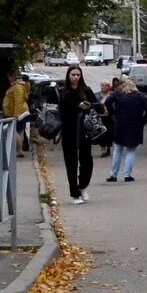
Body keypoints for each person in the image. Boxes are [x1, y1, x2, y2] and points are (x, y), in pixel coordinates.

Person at [57, 66, 97, 203]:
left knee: (87, 161)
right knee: (71, 163)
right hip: (69, 131)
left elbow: (96, 105)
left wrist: (89, 106)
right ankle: (75, 194)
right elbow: (61, 112)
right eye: (73, 74)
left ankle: (83, 187)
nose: (76, 77)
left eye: (78, 75)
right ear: (68, 76)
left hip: (84, 131)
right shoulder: (64, 92)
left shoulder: (86, 90)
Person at [106, 77, 147, 183]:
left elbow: (108, 102)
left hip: (120, 124)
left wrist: (113, 114)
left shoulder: (117, 94)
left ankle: (113, 175)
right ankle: (127, 175)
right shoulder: (141, 96)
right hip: (135, 126)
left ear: (122, 85)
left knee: (117, 150)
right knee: (131, 150)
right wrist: (142, 122)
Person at [2, 70, 30, 157]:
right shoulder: (18, 86)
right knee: (20, 131)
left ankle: (19, 150)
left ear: (12, 76)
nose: (8, 79)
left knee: (14, 131)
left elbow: (19, 101)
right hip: (20, 112)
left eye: (9, 77)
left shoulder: (17, 86)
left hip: (17, 112)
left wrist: (16, 113)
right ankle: (19, 150)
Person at [95, 81, 115, 158]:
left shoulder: (113, 95)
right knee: (101, 133)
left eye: (106, 85)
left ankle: (108, 147)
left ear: (109, 86)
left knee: (110, 133)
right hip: (100, 116)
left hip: (110, 116)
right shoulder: (96, 95)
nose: (104, 87)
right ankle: (103, 149)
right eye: (102, 85)